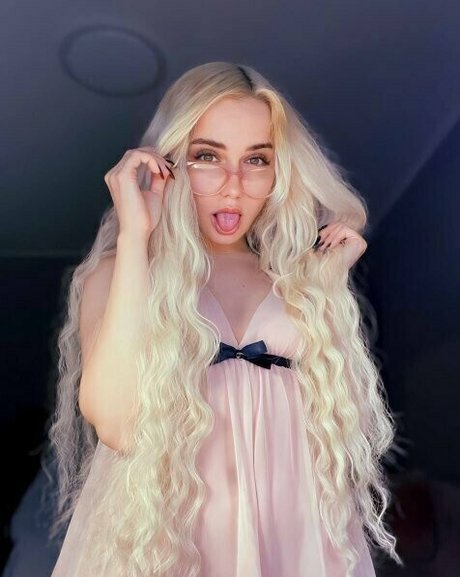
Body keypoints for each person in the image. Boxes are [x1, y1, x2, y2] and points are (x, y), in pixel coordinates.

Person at [44, 61, 402, 577]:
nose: (234, 186)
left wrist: (327, 286)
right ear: (169, 162)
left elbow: (344, 433)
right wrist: (135, 235)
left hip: (293, 532)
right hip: (167, 537)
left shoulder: (298, 280)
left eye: (256, 159)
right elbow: (117, 425)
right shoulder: (124, 273)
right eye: (207, 156)